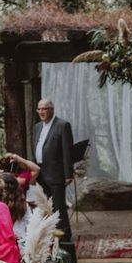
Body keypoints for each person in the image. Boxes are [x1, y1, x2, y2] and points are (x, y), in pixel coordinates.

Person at [32, 98, 74, 240]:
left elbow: (67, 152)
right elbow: (36, 149)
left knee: (59, 209)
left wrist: (68, 174)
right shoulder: (37, 127)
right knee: (45, 208)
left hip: (56, 174)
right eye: (39, 109)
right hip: (41, 175)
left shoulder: (62, 125)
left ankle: (65, 239)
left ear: (51, 109)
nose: (42, 112)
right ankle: (49, 239)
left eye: (45, 108)